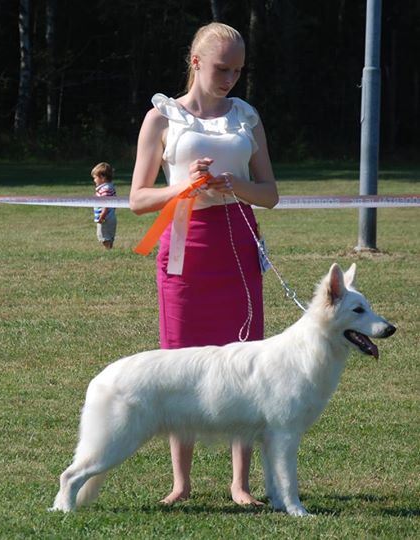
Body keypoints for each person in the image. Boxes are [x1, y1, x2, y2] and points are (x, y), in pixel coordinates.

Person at [129, 22, 279, 506]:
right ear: (195, 62)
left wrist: (234, 185)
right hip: (182, 247)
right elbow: (137, 199)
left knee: (246, 361)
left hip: (236, 245)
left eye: (238, 70)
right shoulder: (162, 117)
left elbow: (270, 194)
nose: (231, 78)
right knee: (180, 363)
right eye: (222, 68)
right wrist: (184, 186)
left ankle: (240, 483)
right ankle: (181, 482)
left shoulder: (247, 118)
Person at [92, 162, 117, 249]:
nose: (94, 180)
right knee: (109, 236)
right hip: (110, 216)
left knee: (104, 236)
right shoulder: (110, 187)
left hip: (105, 218)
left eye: (95, 178)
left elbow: (106, 204)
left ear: (102, 177)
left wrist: (102, 216)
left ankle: (108, 250)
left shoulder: (105, 189)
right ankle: (110, 249)